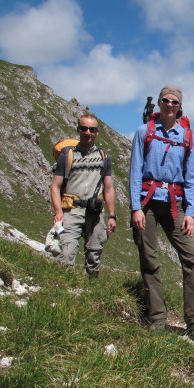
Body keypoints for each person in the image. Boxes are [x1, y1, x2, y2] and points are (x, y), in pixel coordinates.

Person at [129, 85, 194, 343]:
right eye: (165, 100)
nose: (169, 105)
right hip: (148, 203)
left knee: (192, 259)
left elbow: (193, 176)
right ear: (159, 104)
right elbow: (134, 172)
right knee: (149, 260)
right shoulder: (144, 132)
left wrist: (191, 213)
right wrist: (136, 208)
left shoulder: (187, 136)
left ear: (180, 106)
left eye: (174, 102)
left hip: (176, 204)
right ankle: (157, 318)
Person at [50, 114, 117, 277]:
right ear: (78, 130)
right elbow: (55, 186)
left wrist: (112, 216)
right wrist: (58, 212)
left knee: (94, 255)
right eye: (84, 128)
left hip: (95, 212)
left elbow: (108, 188)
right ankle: (63, 290)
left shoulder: (104, 157)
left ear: (97, 132)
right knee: (66, 253)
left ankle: (90, 291)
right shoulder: (67, 155)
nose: (88, 132)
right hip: (71, 211)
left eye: (92, 129)